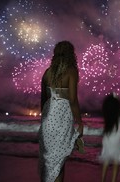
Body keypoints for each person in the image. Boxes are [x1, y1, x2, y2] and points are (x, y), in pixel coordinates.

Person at [38, 41, 84, 182]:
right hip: (62, 119)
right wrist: (80, 122)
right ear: (71, 54)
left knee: (48, 163)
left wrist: (45, 120)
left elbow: (43, 100)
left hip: (47, 120)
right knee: (59, 163)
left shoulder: (47, 73)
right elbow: (72, 99)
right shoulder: (71, 71)